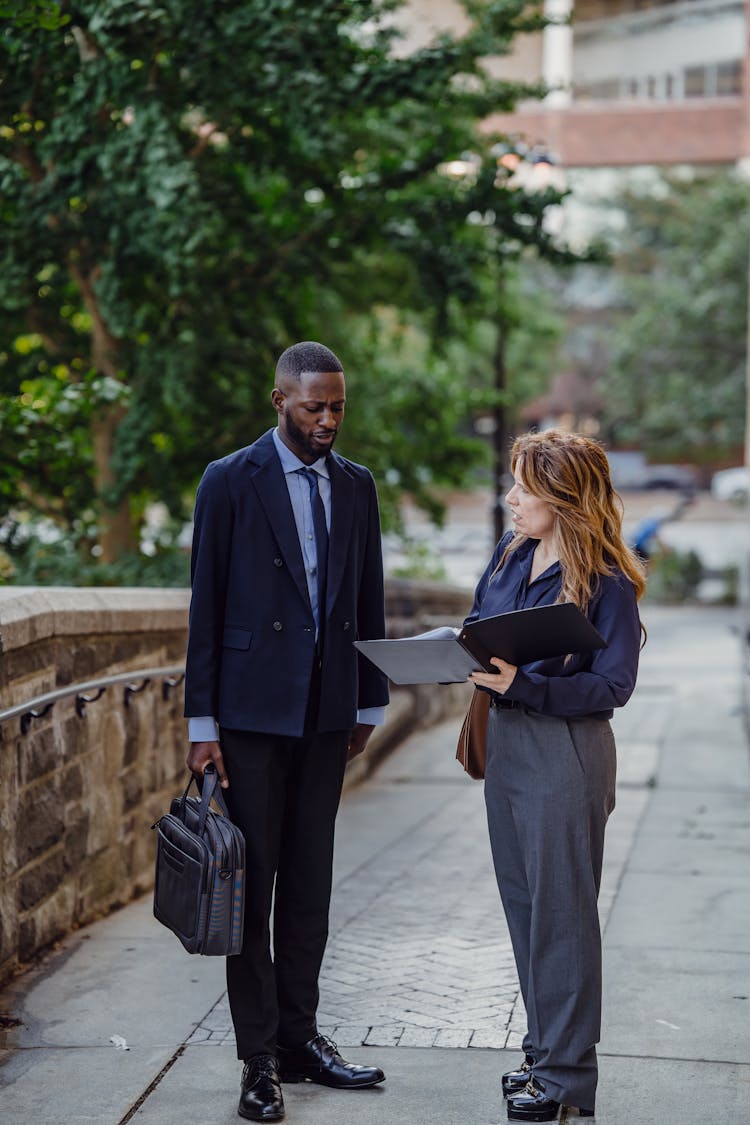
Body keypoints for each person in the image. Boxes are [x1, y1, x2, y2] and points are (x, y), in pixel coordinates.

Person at [184, 341, 390, 1122]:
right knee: (254, 883)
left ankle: (302, 1039)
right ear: (279, 401)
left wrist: (367, 703)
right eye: (314, 407)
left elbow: (366, 595)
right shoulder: (229, 480)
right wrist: (201, 720)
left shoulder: (358, 487)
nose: (329, 420)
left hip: (327, 711)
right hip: (248, 713)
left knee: (309, 884)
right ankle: (258, 1057)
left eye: (338, 406)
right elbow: (206, 604)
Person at [466, 429, 646, 1123]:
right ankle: (544, 1052)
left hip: (567, 751)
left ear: (564, 495)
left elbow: (614, 685)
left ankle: (568, 1078)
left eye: (524, 487)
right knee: (526, 907)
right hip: (508, 746)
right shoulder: (511, 554)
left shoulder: (607, 581)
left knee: (564, 916)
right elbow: (479, 624)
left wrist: (528, 685)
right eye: (512, 483)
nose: (510, 497)